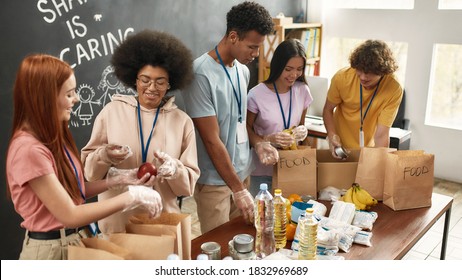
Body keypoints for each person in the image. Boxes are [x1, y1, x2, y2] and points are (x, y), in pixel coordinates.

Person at [5, 54, 162, 260]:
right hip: (51, 251)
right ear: (45, 97)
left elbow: (73, 193)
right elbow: (69, 214)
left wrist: (117, 180)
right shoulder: (28, 150)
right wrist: (133, 196)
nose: (77, 99)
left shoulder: (50, 138)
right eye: (69, 94)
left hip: (72, 240)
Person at [81, 30, 200, 235]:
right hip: (117, 226)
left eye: (160, 81)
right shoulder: (111, 112)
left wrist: (175, 169)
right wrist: (104, 156)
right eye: (145, 79)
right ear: (134, 79)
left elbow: (186, 188)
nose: (152, 87)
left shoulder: (182, 122)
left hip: (161, 224)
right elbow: (90, 174)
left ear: (170, 83)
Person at [182, 1, 274, 234]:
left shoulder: (242, 70)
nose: (256, 54)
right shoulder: (200, 75)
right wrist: (238, 189)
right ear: (233, 36)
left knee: (242, 241)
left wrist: (258, 143)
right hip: (216, 182)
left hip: (242, 173)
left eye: (258, 48)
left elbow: (239, 123)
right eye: (252, 47)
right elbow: (212, 141)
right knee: (218, 246)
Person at [247, 39, 312, 197]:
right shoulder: (256, 94)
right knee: (263, 217)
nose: (294, 75)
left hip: (291, 166)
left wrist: (302, 131)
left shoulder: (302, 91)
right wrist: (267, 139)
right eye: (288, 69)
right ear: (278, 66)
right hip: (263, 169)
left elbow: (301, 125)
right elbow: (245, 129)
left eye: (299, 69)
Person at [322, 39, 403, 158]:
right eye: (360, 71)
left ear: (382, 72)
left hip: (369, 148)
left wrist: (379, 160)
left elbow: (382, 134)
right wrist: (332, 135)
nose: (363, 77)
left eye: (369, 73)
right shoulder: (342, 78)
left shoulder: (393, 88)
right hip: (339, 145)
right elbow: (327, 110)